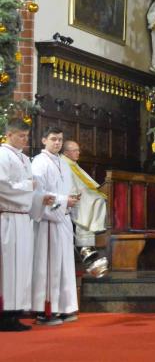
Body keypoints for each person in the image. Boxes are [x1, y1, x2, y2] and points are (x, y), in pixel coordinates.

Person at [0, 120, 53, 331]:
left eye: (27, 136)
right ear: (9, 135)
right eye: (21, 136)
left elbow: (29, 191)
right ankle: (4, 315)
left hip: (22, 219)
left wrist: (40, 199)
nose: (25, 140)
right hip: (8, 218)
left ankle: (14, 313)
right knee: (8, 268)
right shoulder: (3, 155)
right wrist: (28, 186)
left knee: (21, 267)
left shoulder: (23, 158)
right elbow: (2, 186)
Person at [31, 127, 79, 326]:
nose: (57, 143)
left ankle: (65, 307)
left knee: (65, 265)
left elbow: (65, 190)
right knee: (48, 266)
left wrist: (71, 200)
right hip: (48, 221)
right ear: (44, 140)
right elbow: (38, 195)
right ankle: (46, 311)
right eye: (53, 139)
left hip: (63, 219)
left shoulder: (63, 163)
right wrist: (64, 201)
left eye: (60, 139)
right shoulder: (39, 163)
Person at [62, 140, 108, 277]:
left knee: (98, 199)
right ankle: (86, 247)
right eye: (75, 150)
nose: (78, 153)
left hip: (80, 195)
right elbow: (70, 186)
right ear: (66, 152)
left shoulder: (72, 164)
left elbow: (86, 183)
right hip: (71, 198)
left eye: (78, 150)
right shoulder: (64, 164)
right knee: (96, 202)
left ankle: (87, 247)